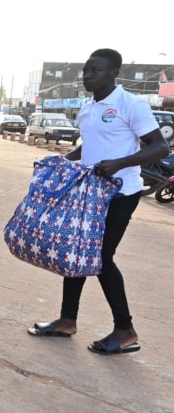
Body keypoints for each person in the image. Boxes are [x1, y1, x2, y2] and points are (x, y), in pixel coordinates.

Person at [27, 48, 170, 355]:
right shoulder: (87, 108)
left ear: (113, 73)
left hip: (120, 193)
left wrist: (119, 163)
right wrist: (63, 160)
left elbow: (160, 147)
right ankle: (67, 320)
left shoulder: (130, 105)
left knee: (102, 258)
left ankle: (125, 329)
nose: (87, 76)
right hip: (88, 193)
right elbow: (88, 144)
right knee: (76, 251)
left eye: (95, 70)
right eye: (85, 71)